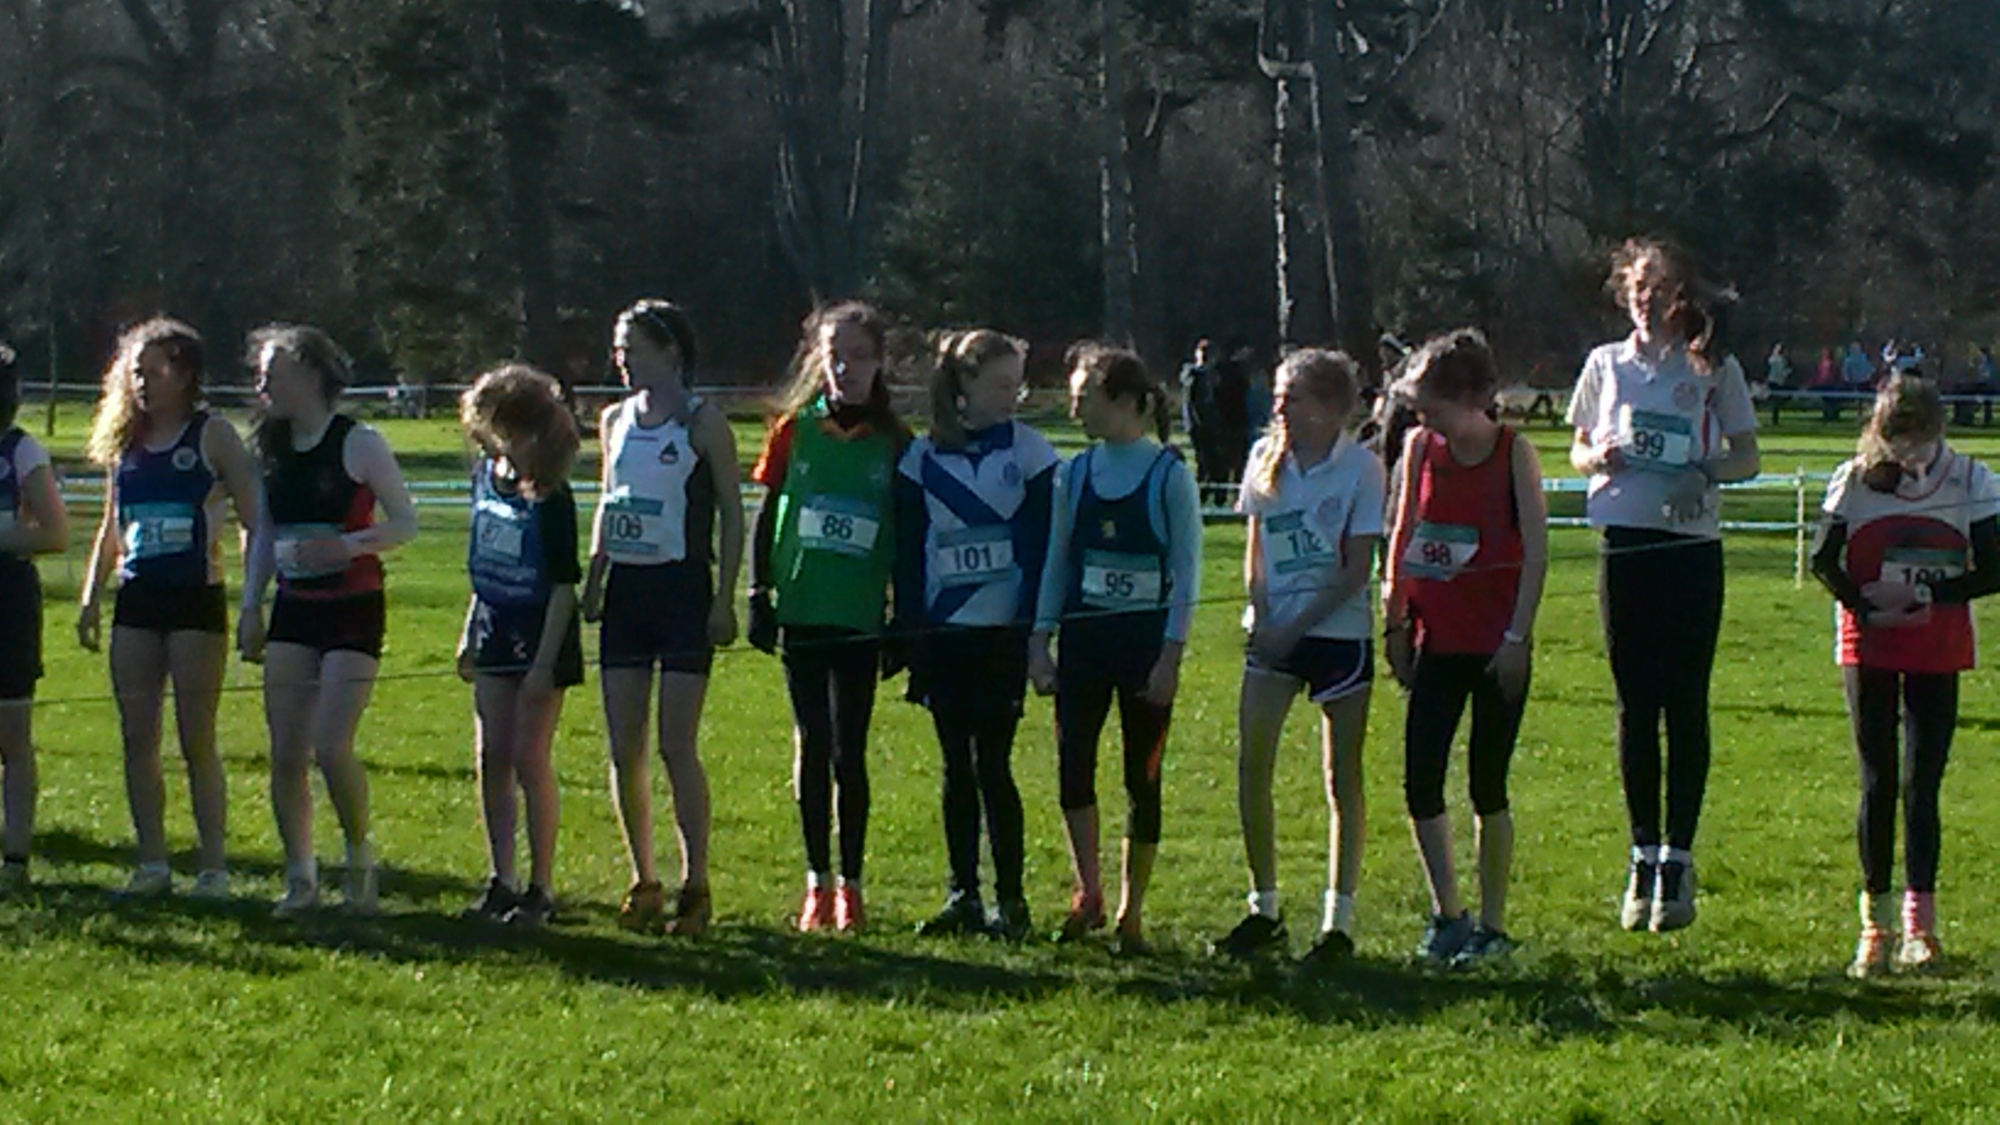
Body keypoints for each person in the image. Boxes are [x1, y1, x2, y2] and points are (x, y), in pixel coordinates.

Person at [1567, 238, 1760, 933]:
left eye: (1660, 287)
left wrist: (1702, 470)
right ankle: (1641, 853)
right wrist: (1598, 456)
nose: (1646, 299)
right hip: (1624, 545)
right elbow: (1577, 448)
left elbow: (1747, 458)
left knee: (1685, 701)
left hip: (1691, 548)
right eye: (1638, 286)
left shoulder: (1712, 367)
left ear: (1682, 296)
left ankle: (1679, 858)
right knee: (1634, 703)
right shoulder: (1605, 363)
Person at [1809, 374, 2000, 977]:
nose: (1909, 455)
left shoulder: (1971, 482)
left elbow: (1994, 568)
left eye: (1918, 441)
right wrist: (1866, 606)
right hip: (1869, 642)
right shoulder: (1855, 480)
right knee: (1877, 780)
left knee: (1923, 784)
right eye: (1897, 441)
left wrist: (1927, 596)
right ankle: (1876, 924)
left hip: (1937, 644)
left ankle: (1921, 925)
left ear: (1937, 430)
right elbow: (1823, 559)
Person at [1381, 330, 1548, 965]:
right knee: (1420, 779)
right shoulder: (1419, 448)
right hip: (1436, 639)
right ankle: (1447, 913)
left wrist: (1516, 638)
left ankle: (1493, 925)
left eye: (1434, 407)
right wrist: (1395, 623)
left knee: (1487, 783)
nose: (1424, 419)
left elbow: (1536, 554)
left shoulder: (1513, 453)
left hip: (1496, 643)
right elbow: (1402, 536)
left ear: (1471, 398)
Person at [1028, 343, 1201, 955]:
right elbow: (1056, 562)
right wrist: (1039, 642)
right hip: (1084, 646)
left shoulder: (1168, 476)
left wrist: (1171, 657)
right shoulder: (1073, 475)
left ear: (1125, 401)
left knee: (1140, 779)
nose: (1074, 409)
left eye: (1084, 398)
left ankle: (1133, 911)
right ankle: (1090, 893)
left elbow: (1188, 574)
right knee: (1072, 768)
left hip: (1143, 653)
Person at [240, 326, 418, 916]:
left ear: (312, 374)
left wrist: (345, 546)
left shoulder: (358, 442)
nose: (263, 386)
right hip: (294, 606)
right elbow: (263, 533)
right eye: (260, 376)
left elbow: (405, 522)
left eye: (274, 374)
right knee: (286, 752)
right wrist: (251, 606)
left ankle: (359, 858)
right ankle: (301, 877)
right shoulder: (268, 448)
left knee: (331, 745)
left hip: (352, 605)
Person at [78, 318, 258, 897]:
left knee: (195, 738)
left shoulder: (213, 436)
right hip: (137, 599)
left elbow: (255, 518)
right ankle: (152, 862)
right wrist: (91, 596)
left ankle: (213, 867)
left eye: (153, 372)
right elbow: (112, 525)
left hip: (194, 599)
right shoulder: (125, 442)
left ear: (183, 375)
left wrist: (254, 599)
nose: (141, 383)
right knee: (137, 736)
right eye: (135, 372)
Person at [1209, 348, 1377, 967]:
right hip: (1273, 636)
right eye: (1278, 393)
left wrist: (1300, 625)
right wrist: (1264, 618)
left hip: (1339, 636)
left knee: (1341, 777)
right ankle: (1265, 909)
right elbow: (1255, 553)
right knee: (1252, 765)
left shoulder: (1362, 468)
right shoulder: (1263, 456)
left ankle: (1338, 922)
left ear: (1330, 407)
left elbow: (1356, 569)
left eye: (1293, 395)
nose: (1279, 405)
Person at [581, 300, 742, 937]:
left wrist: (725, 598)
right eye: (619, 349)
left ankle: (695, 883)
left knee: (677, 744)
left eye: (634, 348)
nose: (622, 360)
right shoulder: (614, 420)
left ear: (671, 352)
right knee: (624, 745)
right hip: (627, 593)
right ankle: (642, 878)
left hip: (682, 591)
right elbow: (609, 500)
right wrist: (595, 577)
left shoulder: (704, 423)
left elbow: (731, 513)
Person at [749, 301, 908, 933]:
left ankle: (852, 885)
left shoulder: (896, 444)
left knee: (850, 749)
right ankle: (816, 882)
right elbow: (768, 513)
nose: (847, 369)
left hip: (860, 614)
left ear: (880, 362)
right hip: (804, 608)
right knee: (812, 743)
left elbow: (907, 535)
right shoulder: (795, 431)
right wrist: (758, 594)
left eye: (860, 357)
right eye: (835, 356)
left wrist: (901, 616)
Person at [895, 330, 1056, 941]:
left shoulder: (1032, 454)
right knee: (954, 766)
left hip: (1001, 636)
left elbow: (1043, 551)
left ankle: (1011, 900)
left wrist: (1033, 631)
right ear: (964, 383)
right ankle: (961, 893)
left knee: (994, 764)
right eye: (1000, 384)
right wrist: (912, 633)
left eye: (1017, 384)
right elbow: (908, 554)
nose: (1012, 395)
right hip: (945, 635)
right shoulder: (921, 458)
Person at [455, 365, 583, 927]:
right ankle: (500, 878)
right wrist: (469, 631)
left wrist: (543, 666)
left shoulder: (552, 498)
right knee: (492, 756)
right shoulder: (485, 477)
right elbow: (481, 563)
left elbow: (563, 587)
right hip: (493, 627)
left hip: (540, 636)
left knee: (529, 758)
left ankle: (541, 886)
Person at [0, 342, 69, 892]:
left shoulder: (21, 451)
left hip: (7, 598)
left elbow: (54, 533)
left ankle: (16, 855)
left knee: (11, 734)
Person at [1177, 339, 1220, 485]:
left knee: (1210, 456)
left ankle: (1207, 484)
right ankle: (1200, 485)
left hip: (1209, 422)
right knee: (1201, 457)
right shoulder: (1192, 373)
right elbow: (1191, 399)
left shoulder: (1211, 374)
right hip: (1196, 422)